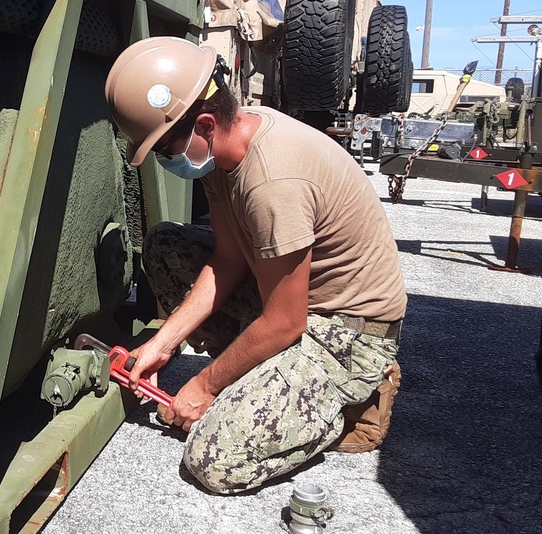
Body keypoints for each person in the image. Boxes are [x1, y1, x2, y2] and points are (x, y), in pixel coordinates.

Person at [104, 36, 407, 494]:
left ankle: (343, 404)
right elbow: (227, 260)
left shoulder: (272, 181)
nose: (167, 161)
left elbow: (286, 322)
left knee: (214, 459)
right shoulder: (224, 154)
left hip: (348, 332)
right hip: (294, 304)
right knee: (166, 246)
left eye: (166, 150)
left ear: (205, 123)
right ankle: (263, 380)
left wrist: (205, 386)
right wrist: (165, 343)